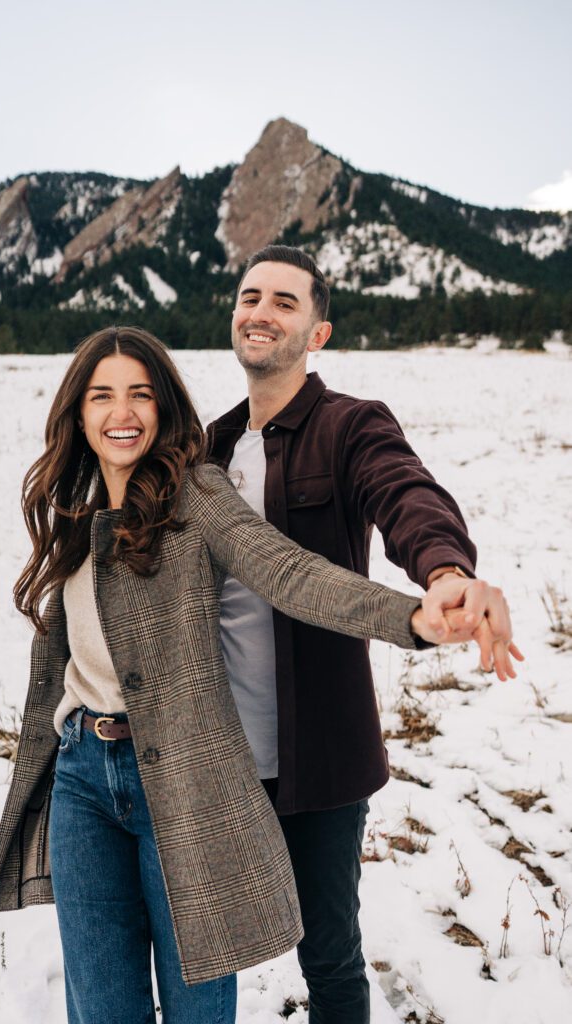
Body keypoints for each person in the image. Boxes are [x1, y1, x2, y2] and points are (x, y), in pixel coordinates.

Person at [0, 325, 505, 1024]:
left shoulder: (195, 494)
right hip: (81, 779)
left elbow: (288, 572)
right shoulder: (76, 511)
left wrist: (413, 617)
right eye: (101, 397)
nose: (120, 412)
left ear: (163, 408)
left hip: (182, 780)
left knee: (198, 1007)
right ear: (78, 414)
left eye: (139, 394)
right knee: (101, 1008)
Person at [207, 245, 523, 1024]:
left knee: (330, 958)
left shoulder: (349, 425)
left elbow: (404, 490)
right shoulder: (206, 446)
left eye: (285, 302)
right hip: (212, 754)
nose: (262, 312)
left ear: (317, 333)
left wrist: (443, 569)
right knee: (197, 952)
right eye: (251, 297)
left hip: (319, 753)